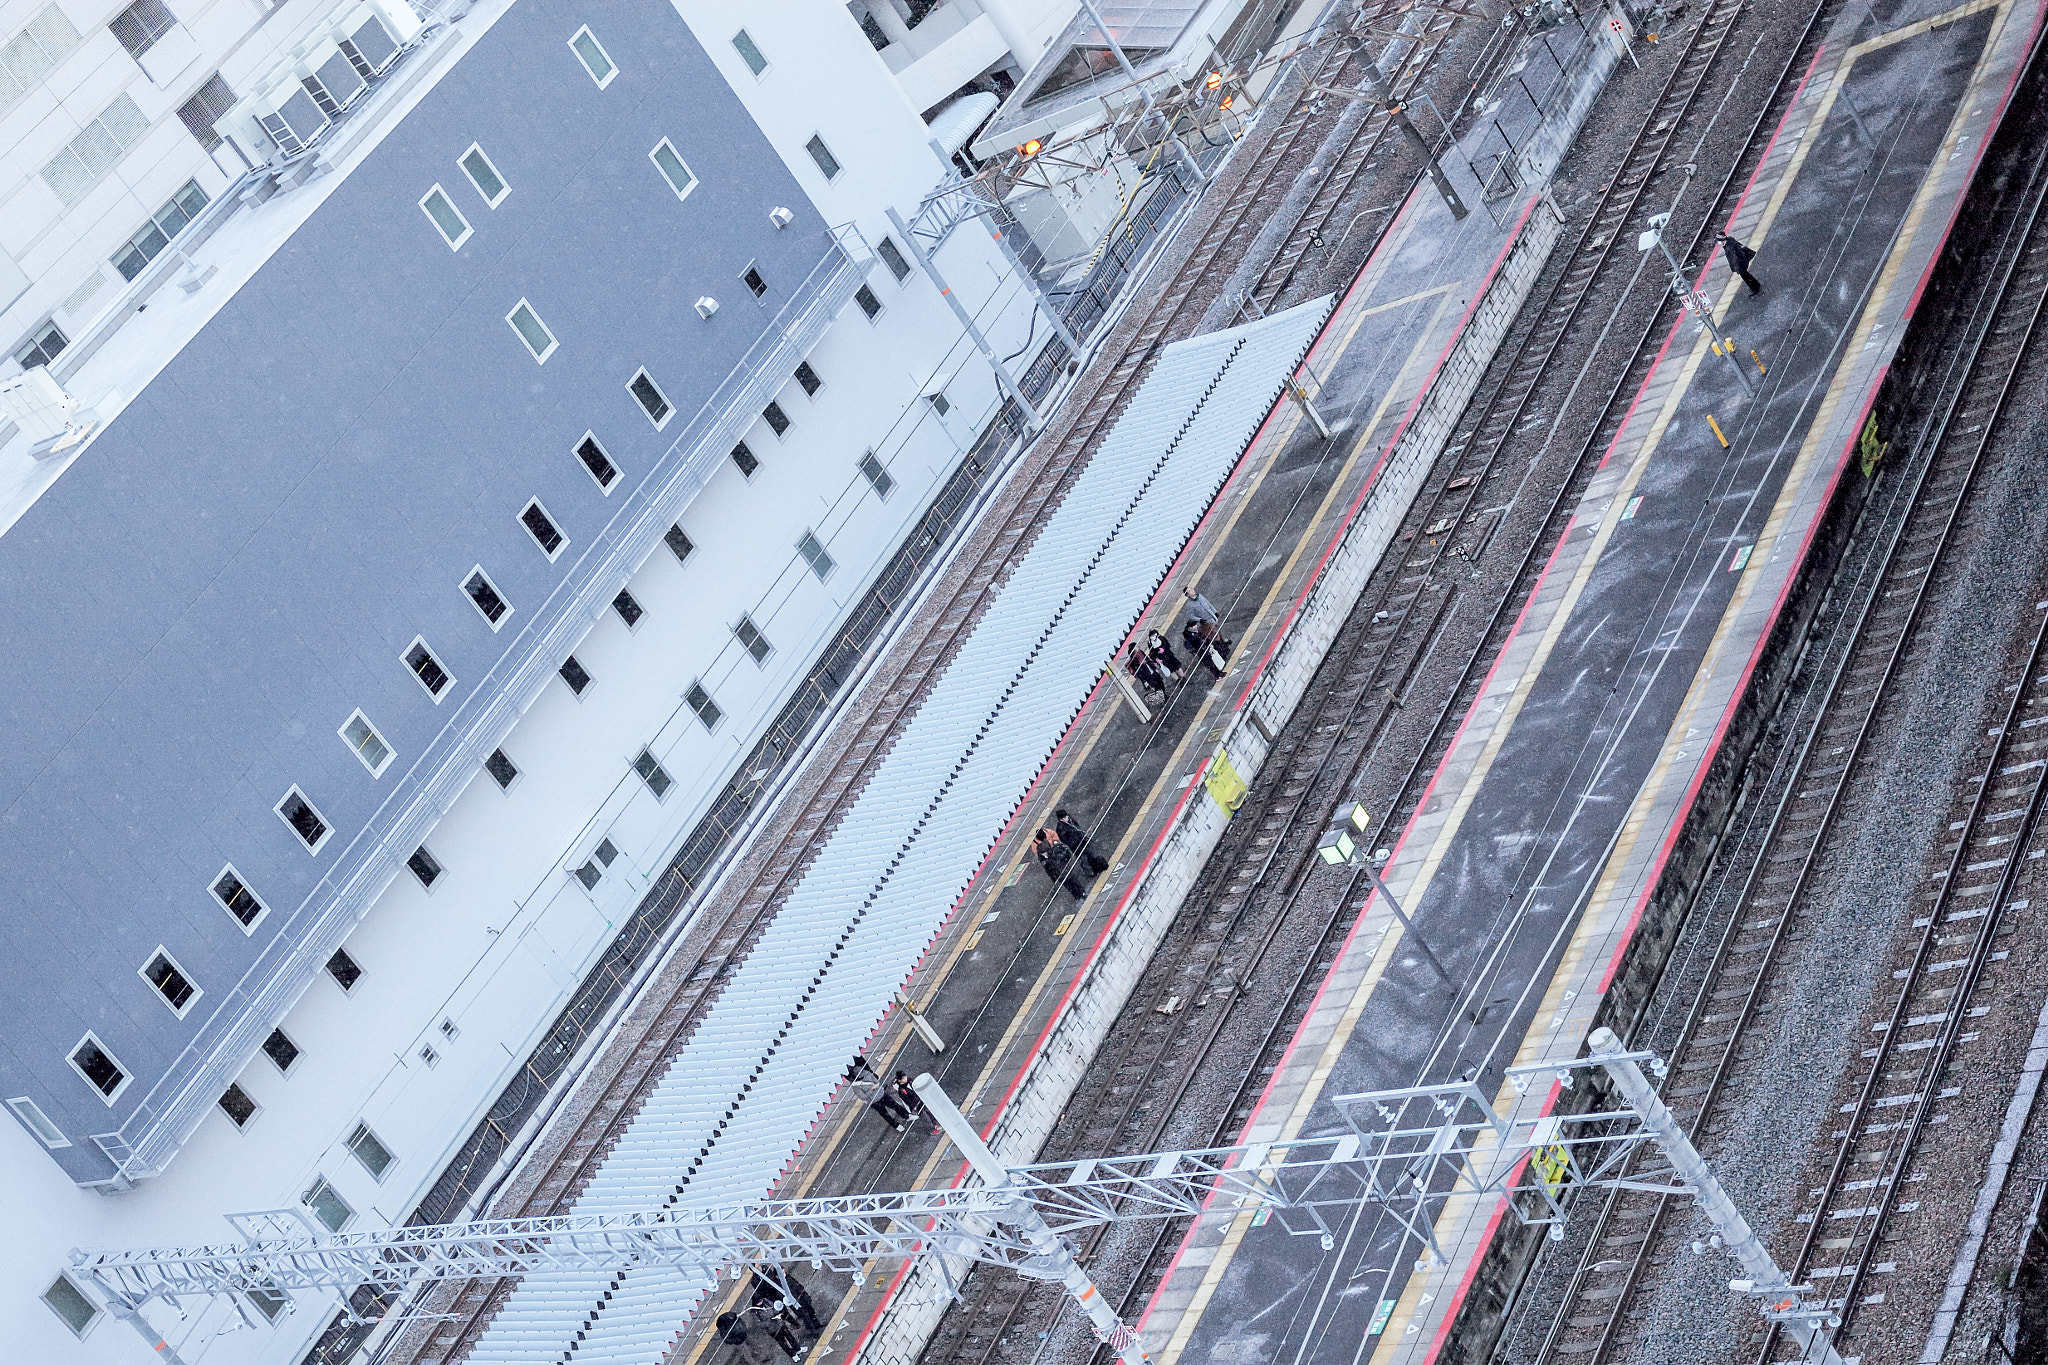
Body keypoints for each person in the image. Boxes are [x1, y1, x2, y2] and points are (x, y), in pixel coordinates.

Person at [1035, 828, 1092, 900]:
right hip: (1061, 871)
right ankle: (1078, 894)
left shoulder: (1050, 854)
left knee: (1072, 882)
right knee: (1070, 884)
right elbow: (1048, 869)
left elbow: (1050, 867)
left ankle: (1080, 893)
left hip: (1062, 871)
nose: (1044, 854)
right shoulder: (1046, 856)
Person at [1054, 809, 1109, 875]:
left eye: (1066, 817)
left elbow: (1076, 825)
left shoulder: (1069, 819)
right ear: (1061, 819)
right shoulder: (1060, 829)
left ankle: (1095, 867)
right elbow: (1065, 840)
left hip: (1081, 839)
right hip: (1076, 845)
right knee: (1082, 859)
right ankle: (1089, 872)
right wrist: (1074, 841)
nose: (1067, 818)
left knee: (1090, 854)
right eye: (1065, 818)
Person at [893, 1070, 940, 1135]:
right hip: (916, 1104)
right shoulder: (901, 1090)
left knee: (929, 1110)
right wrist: (913, 1106)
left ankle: (935, 1122)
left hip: (921, 1099)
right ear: (899, 1080)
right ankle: (931, 1128)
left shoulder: (909, 1080)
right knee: (924, 1116)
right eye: (903, 1078)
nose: (905, 1078)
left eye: (905, 1077)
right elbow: (906, 1100)